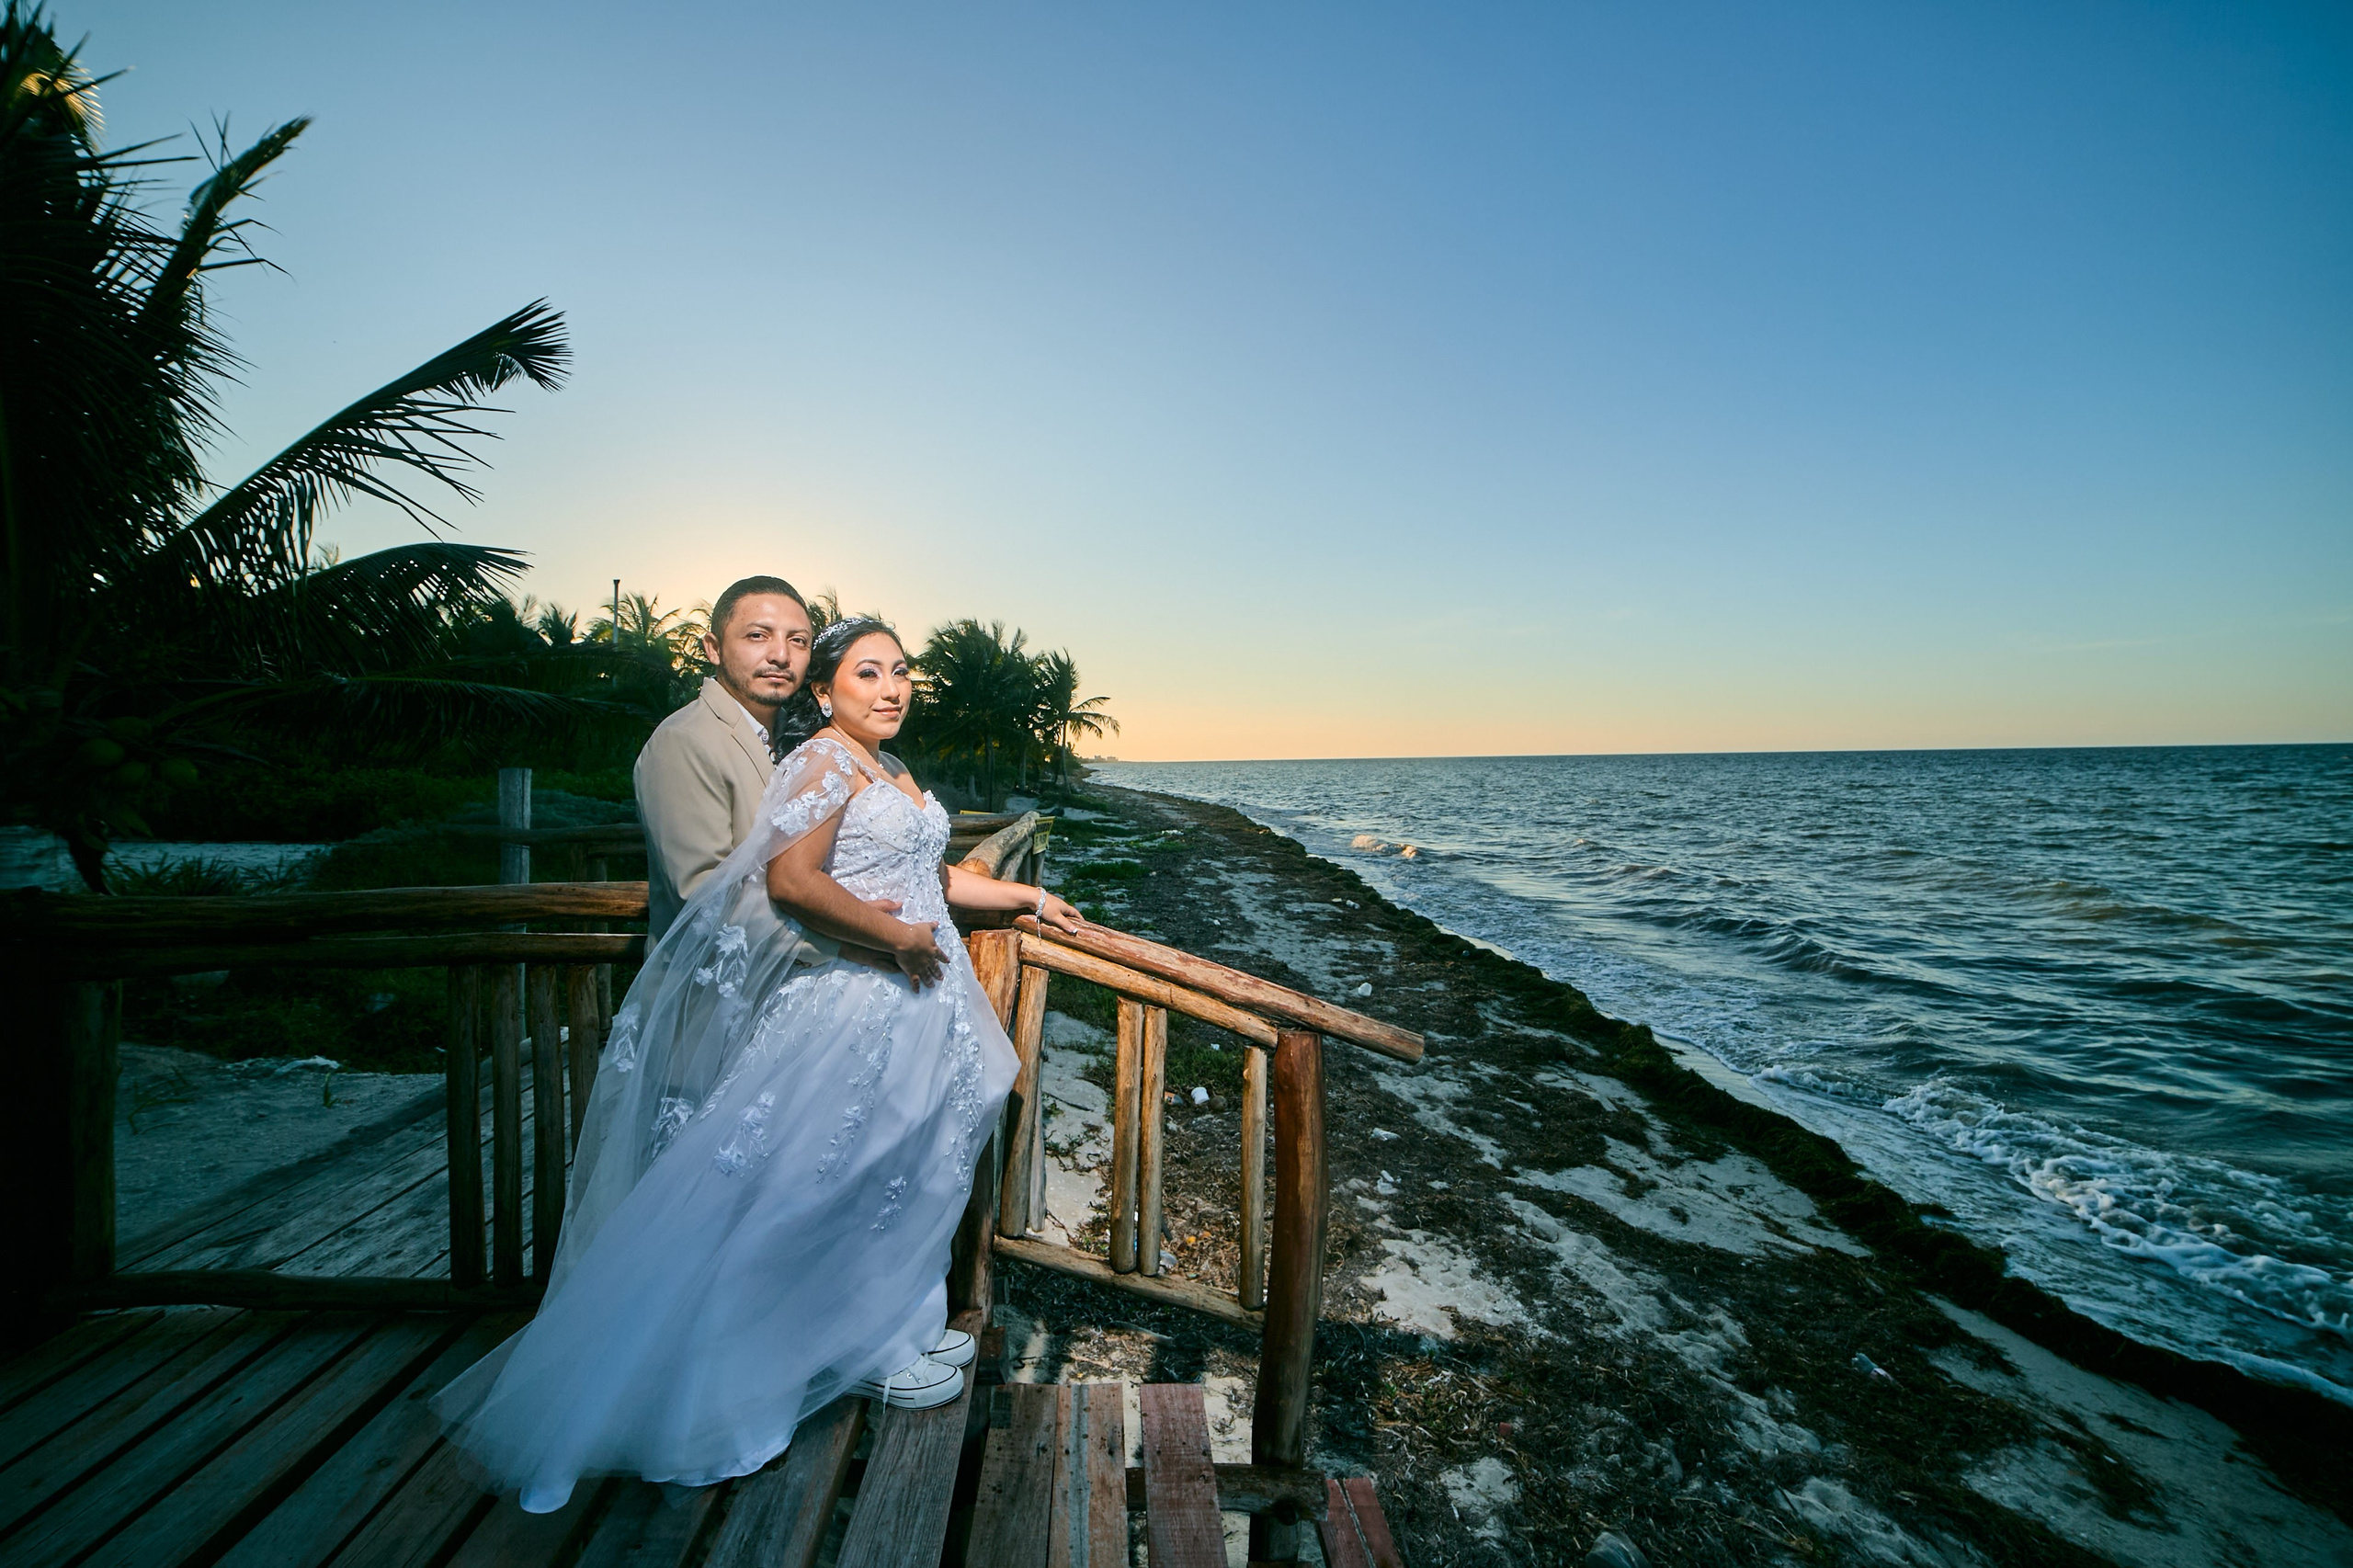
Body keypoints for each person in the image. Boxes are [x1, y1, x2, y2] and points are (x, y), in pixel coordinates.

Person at [435, 616, 1086, 1514]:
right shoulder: (823, 760)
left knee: (889, 1178)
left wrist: (1022, 893)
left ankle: (886, 1339)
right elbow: (793, 881)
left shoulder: (890, 767)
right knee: (796, 1191)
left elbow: (929, 875)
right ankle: (705, 1389)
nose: (892, 685)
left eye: (900, 670)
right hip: (854, 1010)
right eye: (868, 672)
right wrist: (896, 933)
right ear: (825, 692)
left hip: (915, 1013)